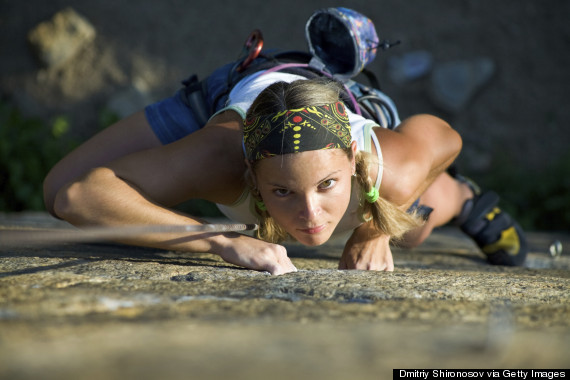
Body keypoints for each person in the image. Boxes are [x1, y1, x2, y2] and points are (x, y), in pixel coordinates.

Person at [43, 7, 528, 275]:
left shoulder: (386, 166)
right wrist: (217, 241)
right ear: (250, 176)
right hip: (229, 95)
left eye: (326, 186)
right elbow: (76, 195)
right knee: (55, 187)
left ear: (354, 159)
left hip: (350, 116)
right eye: (281, 192)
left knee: (411, 224)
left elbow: (446, 138)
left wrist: (375, 230)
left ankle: (465, 201)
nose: (311, 218)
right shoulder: (219, 159)